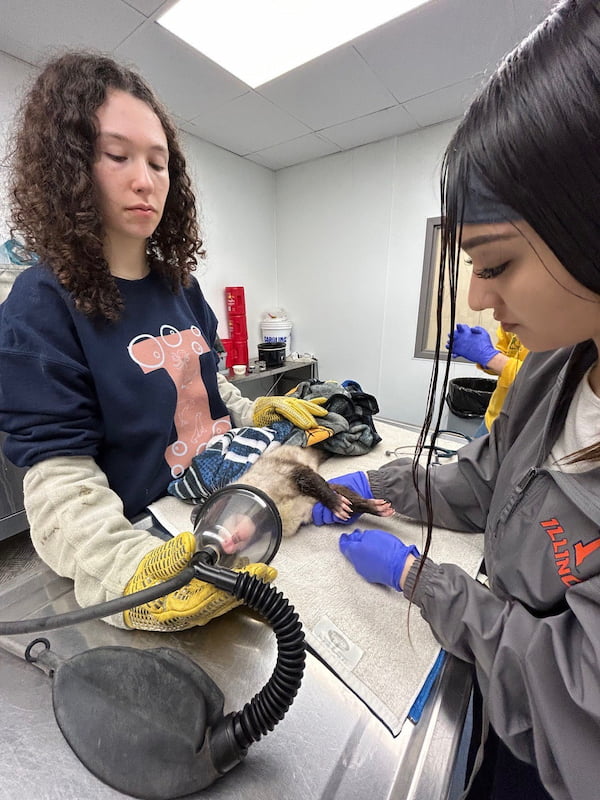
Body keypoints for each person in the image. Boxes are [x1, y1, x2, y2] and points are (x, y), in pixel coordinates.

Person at [312, 2, 600, 798]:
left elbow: (576, 701)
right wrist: (381, 484)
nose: (475, 294)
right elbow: (481, 483)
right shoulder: (555, 366)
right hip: (498, 699)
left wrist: (419, 580)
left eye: (497, 263)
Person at [0, 51, 329, 632]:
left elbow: (209, 387)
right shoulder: (41, 304)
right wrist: (133, 577)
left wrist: (257, 408)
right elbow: (58, 481)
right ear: (69, 165)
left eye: (158, 163)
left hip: (229, 500)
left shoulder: (181, 286)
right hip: (148, 542)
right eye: (118, 156)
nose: (144, 179)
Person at [446, 323, 529, 434]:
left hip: (524, 428)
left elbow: (545, 377)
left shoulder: (556, 326)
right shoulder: (513, 317)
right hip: (494, 417)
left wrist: (491, 357)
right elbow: (505, 359)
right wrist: (483, 358)